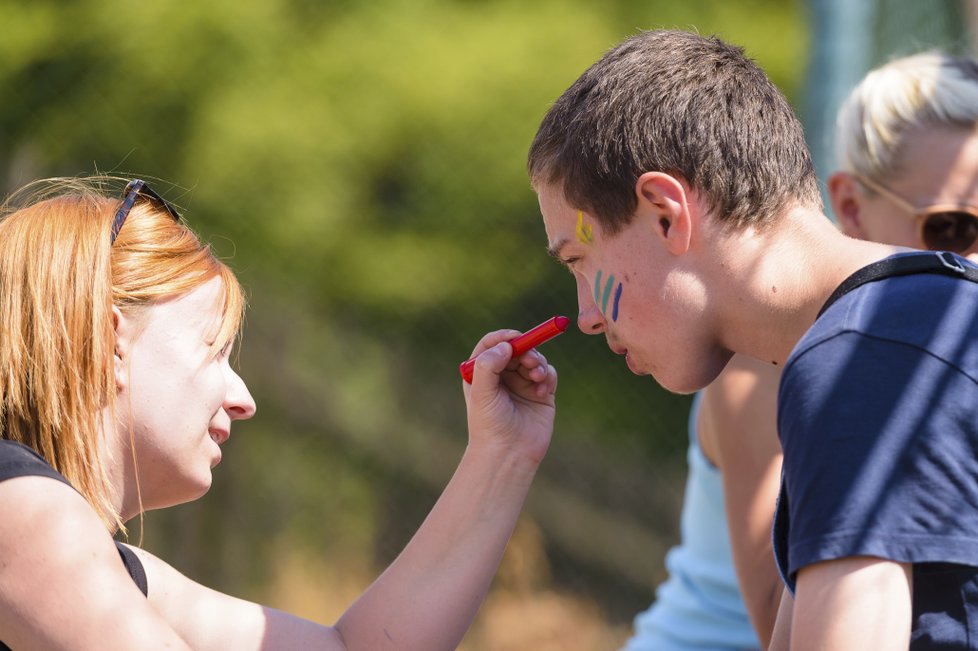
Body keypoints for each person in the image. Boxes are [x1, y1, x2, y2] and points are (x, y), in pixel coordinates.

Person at [529, 29, 978, 649]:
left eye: (580, 258)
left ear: (666, 212)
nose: (586, 316)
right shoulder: (903, 322)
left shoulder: (859, 357)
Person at [0, 175, 558, 650]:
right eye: (214, 348)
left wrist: (502, 452)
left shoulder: (88, 556)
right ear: (109, 341)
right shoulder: (23, 512)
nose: (244, 399)